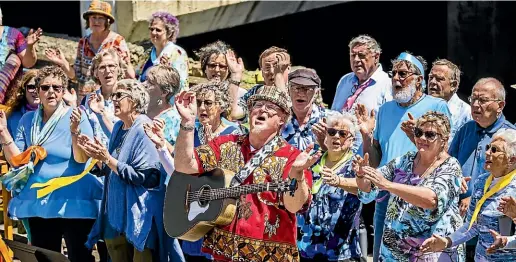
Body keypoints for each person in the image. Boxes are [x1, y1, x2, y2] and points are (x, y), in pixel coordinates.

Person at [174, 85, 320, 261]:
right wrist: (187, 124)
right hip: (224, 254)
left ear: (282, 119)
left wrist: (297, 174)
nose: (262, 109)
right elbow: (184, 165)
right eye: (257, 104)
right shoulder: (225, 144)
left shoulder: (293, 158)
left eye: (271, 107)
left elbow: (294, 206)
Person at [356, 51, 452, 262]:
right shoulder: (385, 110)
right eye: (394, 74)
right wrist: (366, 136)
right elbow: (377, 156)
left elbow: (443, 153)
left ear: (419, 80)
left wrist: (414, 137)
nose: (396, 79)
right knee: (384, 255)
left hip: (418, 195)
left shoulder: (437, 106)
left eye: (403, 74)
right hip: (386, 196)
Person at [0, 66, 102, 262]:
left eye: (56, 87)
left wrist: (75, 132)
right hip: (39, 203)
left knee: (78, 258)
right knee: (45, 259)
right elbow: (17, 162)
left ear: (63, 91)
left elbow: (82, 160)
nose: (51, 92)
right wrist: (4, 132)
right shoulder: (27, 119)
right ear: (37, 90)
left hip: (73, 202)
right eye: (45, 87)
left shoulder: (77, 116)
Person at [83, 79, 184, 262]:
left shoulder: (144, 128)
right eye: (113, 95)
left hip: (139, 216)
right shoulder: (118, 127)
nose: (114, 99)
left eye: (119, 95)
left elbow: (142, 177)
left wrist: (107, 158)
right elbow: (111, 169)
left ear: (136, 101)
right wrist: (97, 157)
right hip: (115, 214)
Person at [356, 111, 465, 261]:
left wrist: (388, 185)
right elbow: (370, 187)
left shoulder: (451, 167)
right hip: (393, 253)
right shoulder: (405, 160)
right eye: (419, 132)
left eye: (430, 135)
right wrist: (362, 176)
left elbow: (431, 200)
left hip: (430, 254)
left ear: (444, 140)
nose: (422, 138)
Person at [421, 128, 516, 261]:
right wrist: (447, 241)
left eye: (494, 150)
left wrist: (507, 241)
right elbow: (473, 225)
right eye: (488, 147)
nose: (487, 152)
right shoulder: (482, 181)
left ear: (512, 159)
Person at [297, 111, 362, 262]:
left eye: (343, 133)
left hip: (340, 252)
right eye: (332, 132)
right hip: (306, 248)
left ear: (351, 140)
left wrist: (338, 180)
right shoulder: (312, 160)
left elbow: (364, 188)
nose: (336, 136)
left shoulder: (355, 165)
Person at [45, 0, 135, 95]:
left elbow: (129, 75)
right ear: (88, 20)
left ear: (107, 21)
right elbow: (76, 76)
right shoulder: (83, 43)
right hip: (86, 101)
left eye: (100, 18)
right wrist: (63, 63)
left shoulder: (117, 41)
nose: (96, 21)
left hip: (110, 99)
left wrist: (127, 65)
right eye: (93, 17)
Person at [331, 35, 392, 115]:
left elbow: (388, 121)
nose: (356, 59)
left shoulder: (387, 84)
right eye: (353, 55)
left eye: (361, 55)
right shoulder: (345, 80)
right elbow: (334, 112)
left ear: (376, 57)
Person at [229, 46, 291, 121]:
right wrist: (235, 75)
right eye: (267, 68)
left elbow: (290, 119)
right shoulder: (255, 92)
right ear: (261, 72)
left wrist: (279, 77)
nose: (271, 71)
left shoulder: (299, 91)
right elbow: (234, 113)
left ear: (288, 68)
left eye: (276, 66)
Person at [82, 48, 124, 147]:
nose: (107, 71)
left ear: (119, 69)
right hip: (94, 159)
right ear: (95, 73)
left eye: (111, 66)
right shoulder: (88, 100)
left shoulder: (128, 98)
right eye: (102, 67)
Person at [137, 11, 189, 91]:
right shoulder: (148, 53)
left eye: (158, 30)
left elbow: (181, 84)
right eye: (151, 29)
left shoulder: (178, 53)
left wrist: (167, 72)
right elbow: (138, 76)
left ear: (169, 33)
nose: (154, 32)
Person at [0, 7, 42, 104]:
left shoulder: (13, 34)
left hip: (7, 104)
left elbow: (28, 63)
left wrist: (30, 46)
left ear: (1, 16)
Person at [282, 68, 327, 151]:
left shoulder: (329, 119)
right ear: (288, 90)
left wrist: (325, 143)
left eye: (307, 89)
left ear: (316, 92)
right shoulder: (278, 119)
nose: (301, 93)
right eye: (296, 88)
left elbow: (342, 158)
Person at [427, 59, 471, 141]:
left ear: (453, 85)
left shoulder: (465, 113)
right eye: (431, 77)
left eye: (439, 79)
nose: (432, 82)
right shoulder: (423, 106)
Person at [144, 64, 182, 149]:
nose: (143, 84)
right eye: (145, 79)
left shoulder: (174, 121)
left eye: (150, 82)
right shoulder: (140, 110)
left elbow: (175, 156)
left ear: (164, 92)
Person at [4, 69, 40, 135]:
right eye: (31, 87)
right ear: (24, 89)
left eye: (40, 87)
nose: (36, 91)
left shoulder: (52, 115)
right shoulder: (12, 115)